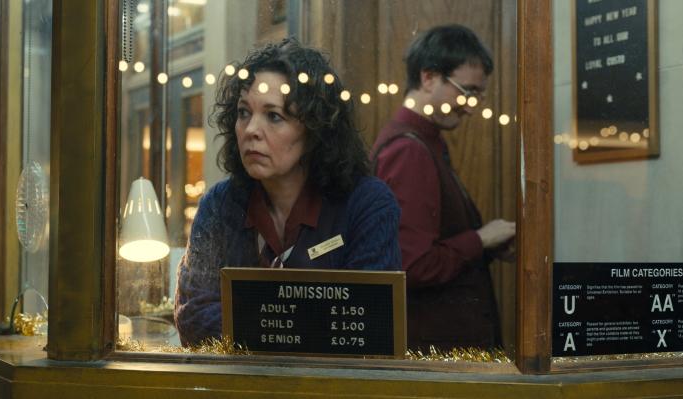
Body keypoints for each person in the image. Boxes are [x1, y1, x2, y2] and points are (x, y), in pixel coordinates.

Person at [174, 38, 402, 346]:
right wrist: (305, 323)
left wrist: (252, 320)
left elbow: (365, 324)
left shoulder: (367, 203)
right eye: (243, 113)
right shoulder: (220, 203)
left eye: (274, 116)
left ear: (315, 129)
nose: (252, 130)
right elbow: (193, 315)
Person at [371, 25, 516, 351]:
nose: (471, 105)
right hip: (436, 352)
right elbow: (413, 265)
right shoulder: (408, 151)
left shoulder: (424, 142)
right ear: (428, 78)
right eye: (466, 91)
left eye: (478, 95)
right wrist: (481, 239)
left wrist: (489, 246)